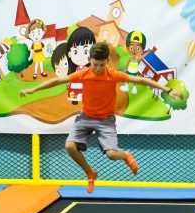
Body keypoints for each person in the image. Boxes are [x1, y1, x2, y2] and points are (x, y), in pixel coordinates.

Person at [20, 42, 181, 193]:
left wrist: (167, 89)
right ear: (90, 61)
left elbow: (140, 79)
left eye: (101, 65)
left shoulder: (112, 75)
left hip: (106, 120)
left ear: (107, 62)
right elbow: (57, 81)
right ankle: (90, 173)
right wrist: (33, 90)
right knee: (69, 146)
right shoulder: (84, 73)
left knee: (111, 154)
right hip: (85, 118)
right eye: (95, 64)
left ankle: (125, 155)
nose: (97, 68)